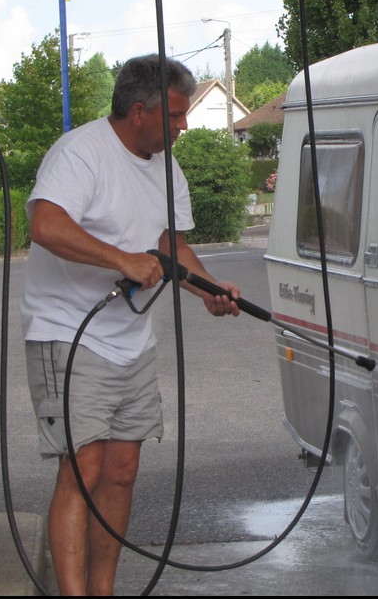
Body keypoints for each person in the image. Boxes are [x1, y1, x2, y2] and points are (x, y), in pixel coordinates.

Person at [20, 54, 241, 596]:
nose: (184, 125)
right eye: (175, 115)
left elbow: (171, 245)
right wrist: (121, 260)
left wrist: (207, 289)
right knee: (84, 472)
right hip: (69, 331)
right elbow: (45, 224)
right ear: (138, 112)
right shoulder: (80, 153)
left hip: (131, 343)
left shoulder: (168, 168)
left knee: (120, 473)